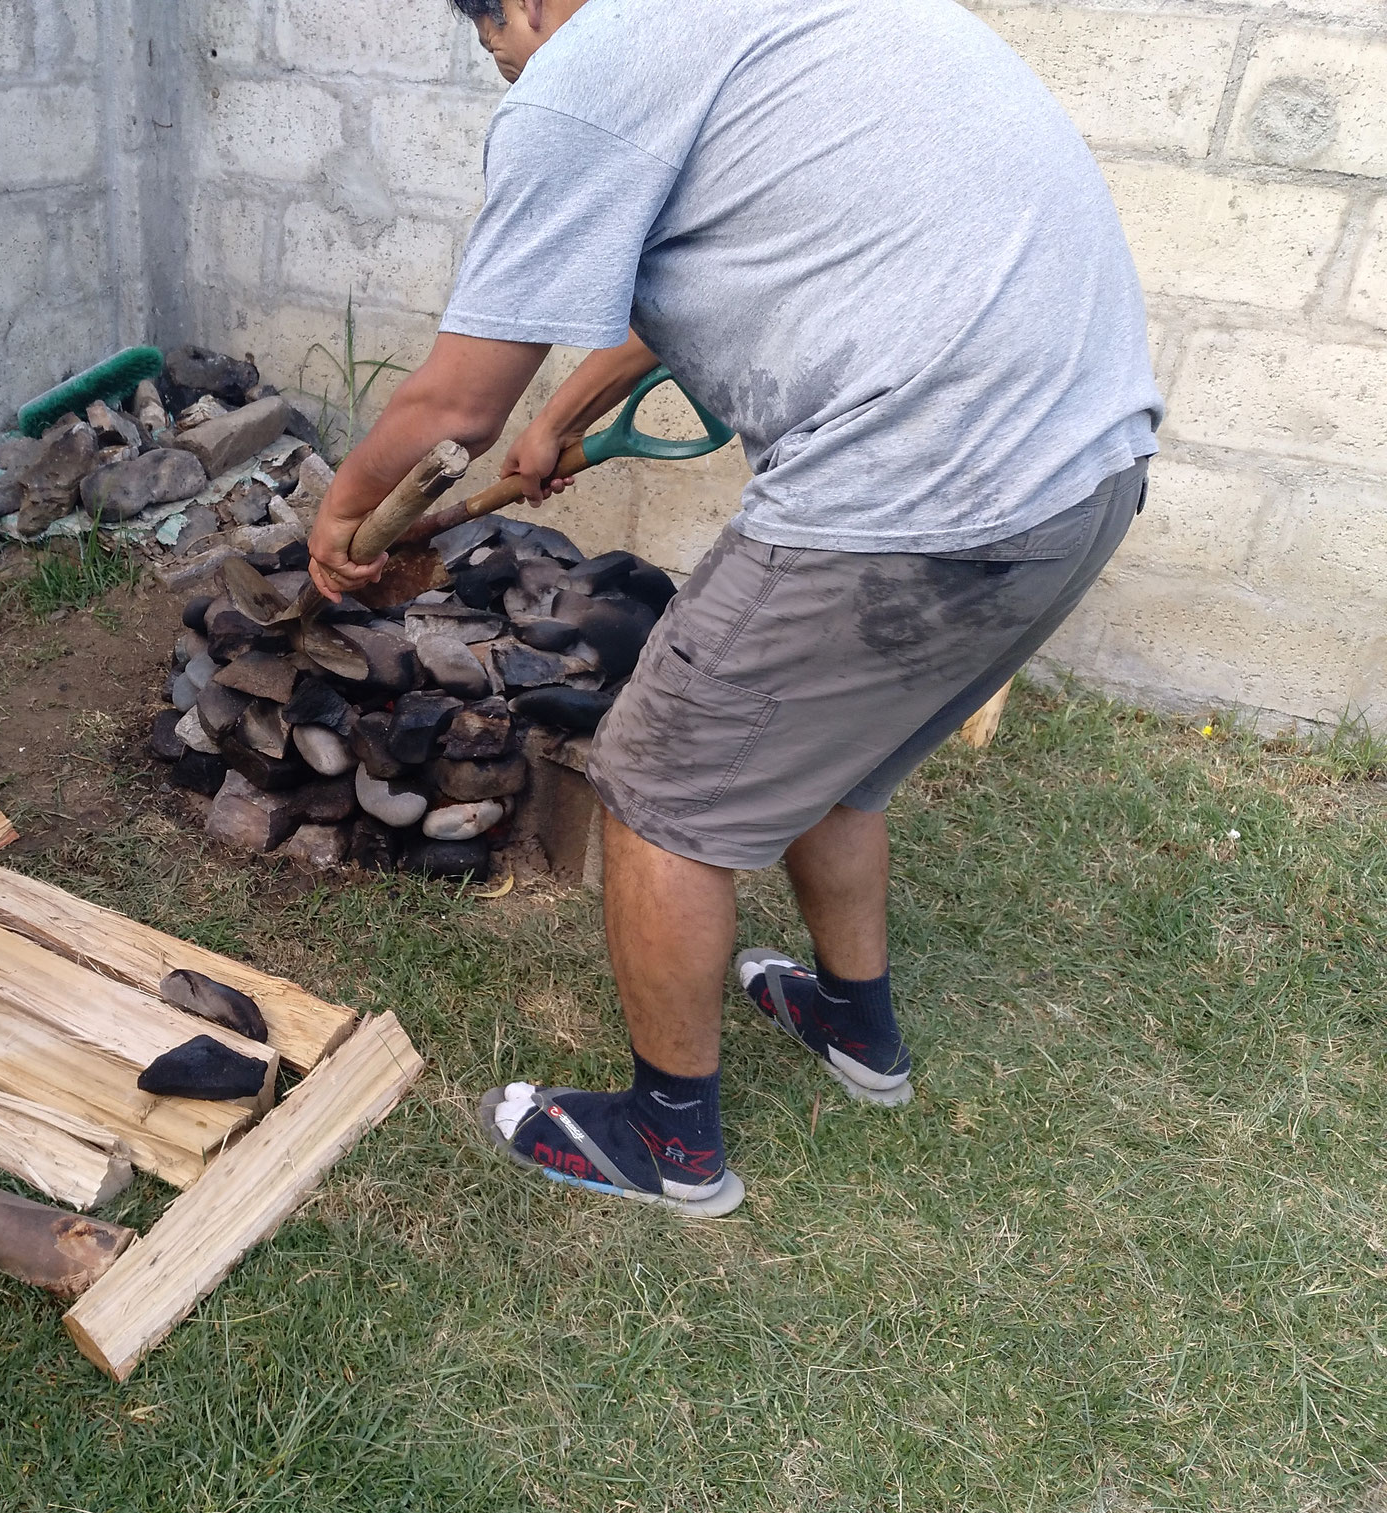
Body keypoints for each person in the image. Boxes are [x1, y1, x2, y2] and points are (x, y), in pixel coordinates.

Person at [306, 0, 1163, 1217]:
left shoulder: (584, 71)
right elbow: (690, 276)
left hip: (912, 498)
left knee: (652, 790)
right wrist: (559, 416)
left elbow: (449, 412)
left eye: (492, 43)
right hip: (1083, 480)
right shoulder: (760, 20)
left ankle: (667, 1143)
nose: (506, 69)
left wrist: (339, 522)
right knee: (836, 760)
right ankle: (852, 1027)